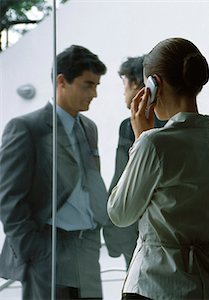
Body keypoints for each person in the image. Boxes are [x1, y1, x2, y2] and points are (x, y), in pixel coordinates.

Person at [107, 37, 209, 300]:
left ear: (154, 84)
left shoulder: (153, 144)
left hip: (156, 285)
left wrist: (139, 142)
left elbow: (120, 213)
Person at [0, 45, 109, 299]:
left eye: (96, 86)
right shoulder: (26, 128)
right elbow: (8, 199)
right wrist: (35, 250)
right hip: (48, 251)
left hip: (86, 250)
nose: (94, 93)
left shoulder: (89, 128)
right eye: (87, 85)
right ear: (62, 81)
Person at [103, 55, 166, 268]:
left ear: (139, 85)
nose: (124, 91)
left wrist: (111, 232)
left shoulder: (132, 126)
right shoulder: (174, 124)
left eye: (124, 83)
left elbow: (123, 179)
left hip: (137, 231)